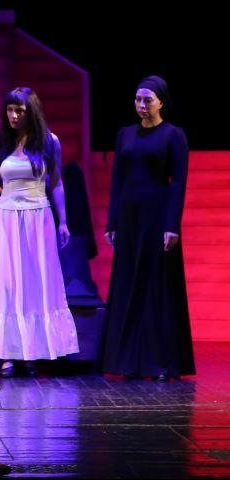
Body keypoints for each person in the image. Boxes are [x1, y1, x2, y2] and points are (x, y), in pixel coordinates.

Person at [0, 87, 79, 377]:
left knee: (34, 284)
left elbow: (56, 183)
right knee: (6, 285)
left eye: (19, 111)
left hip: (38, 219)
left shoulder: (49, 142)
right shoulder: (1, 144)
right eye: (9, 110)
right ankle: (7, 355)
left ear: (31, 112)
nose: (13, 116)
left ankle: (31, 353)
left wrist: (63, 221)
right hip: (6, 220)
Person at [101, 75, 195, 381]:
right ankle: (126, 361)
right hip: (129, 219)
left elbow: (178, 182)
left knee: (157, 288)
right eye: (138, 99)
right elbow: (117, 179)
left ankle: (160, 362)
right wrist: (112, 221)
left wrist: (172, 224)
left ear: (161, 102)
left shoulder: (173, 135)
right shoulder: (125, 134)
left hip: (157, 218)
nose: (141, 105)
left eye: (148, 100)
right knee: (129, 285)